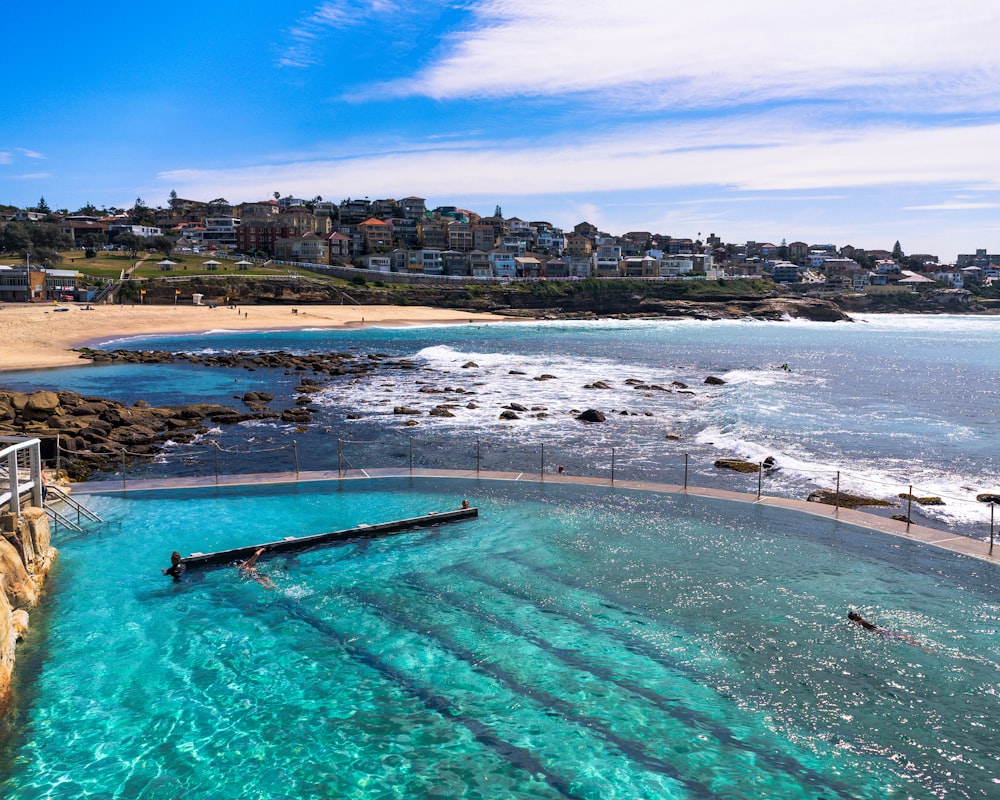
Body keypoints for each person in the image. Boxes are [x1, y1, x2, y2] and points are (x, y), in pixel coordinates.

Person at [848, 610, 923, 645]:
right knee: (902, 636)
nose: (859, 614)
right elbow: (872, 626)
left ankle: (917, 644)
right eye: (857, 614)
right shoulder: (861, 621)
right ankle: (920, 645)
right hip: (880, 631)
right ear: (855, 617)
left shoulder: (857, 623)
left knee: (901, 637)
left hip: (878, 632)